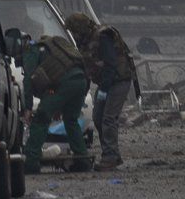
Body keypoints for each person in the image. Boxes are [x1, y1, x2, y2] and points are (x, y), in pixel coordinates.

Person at [67, 12, 136, 172]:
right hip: (106, 82)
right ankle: (112, 154)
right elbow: (87, 69)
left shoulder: (103, 37)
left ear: (80, 28)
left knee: (108, 118)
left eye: (74, 31)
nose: (74, 35)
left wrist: (104, 90)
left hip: (119, 80)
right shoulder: (85, 42)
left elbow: (110, 64)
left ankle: (110, 157)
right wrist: (83, 93)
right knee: (98, 117)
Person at [21, 26, 92, 174]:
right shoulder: (56, 47)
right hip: (81, 81)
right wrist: (59, 105)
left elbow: (29, 79)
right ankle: (83, 161)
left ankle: (31, 162)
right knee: (71, 120)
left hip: (64, 83)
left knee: (41, 118)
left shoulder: (32, 50)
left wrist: (27, 108)